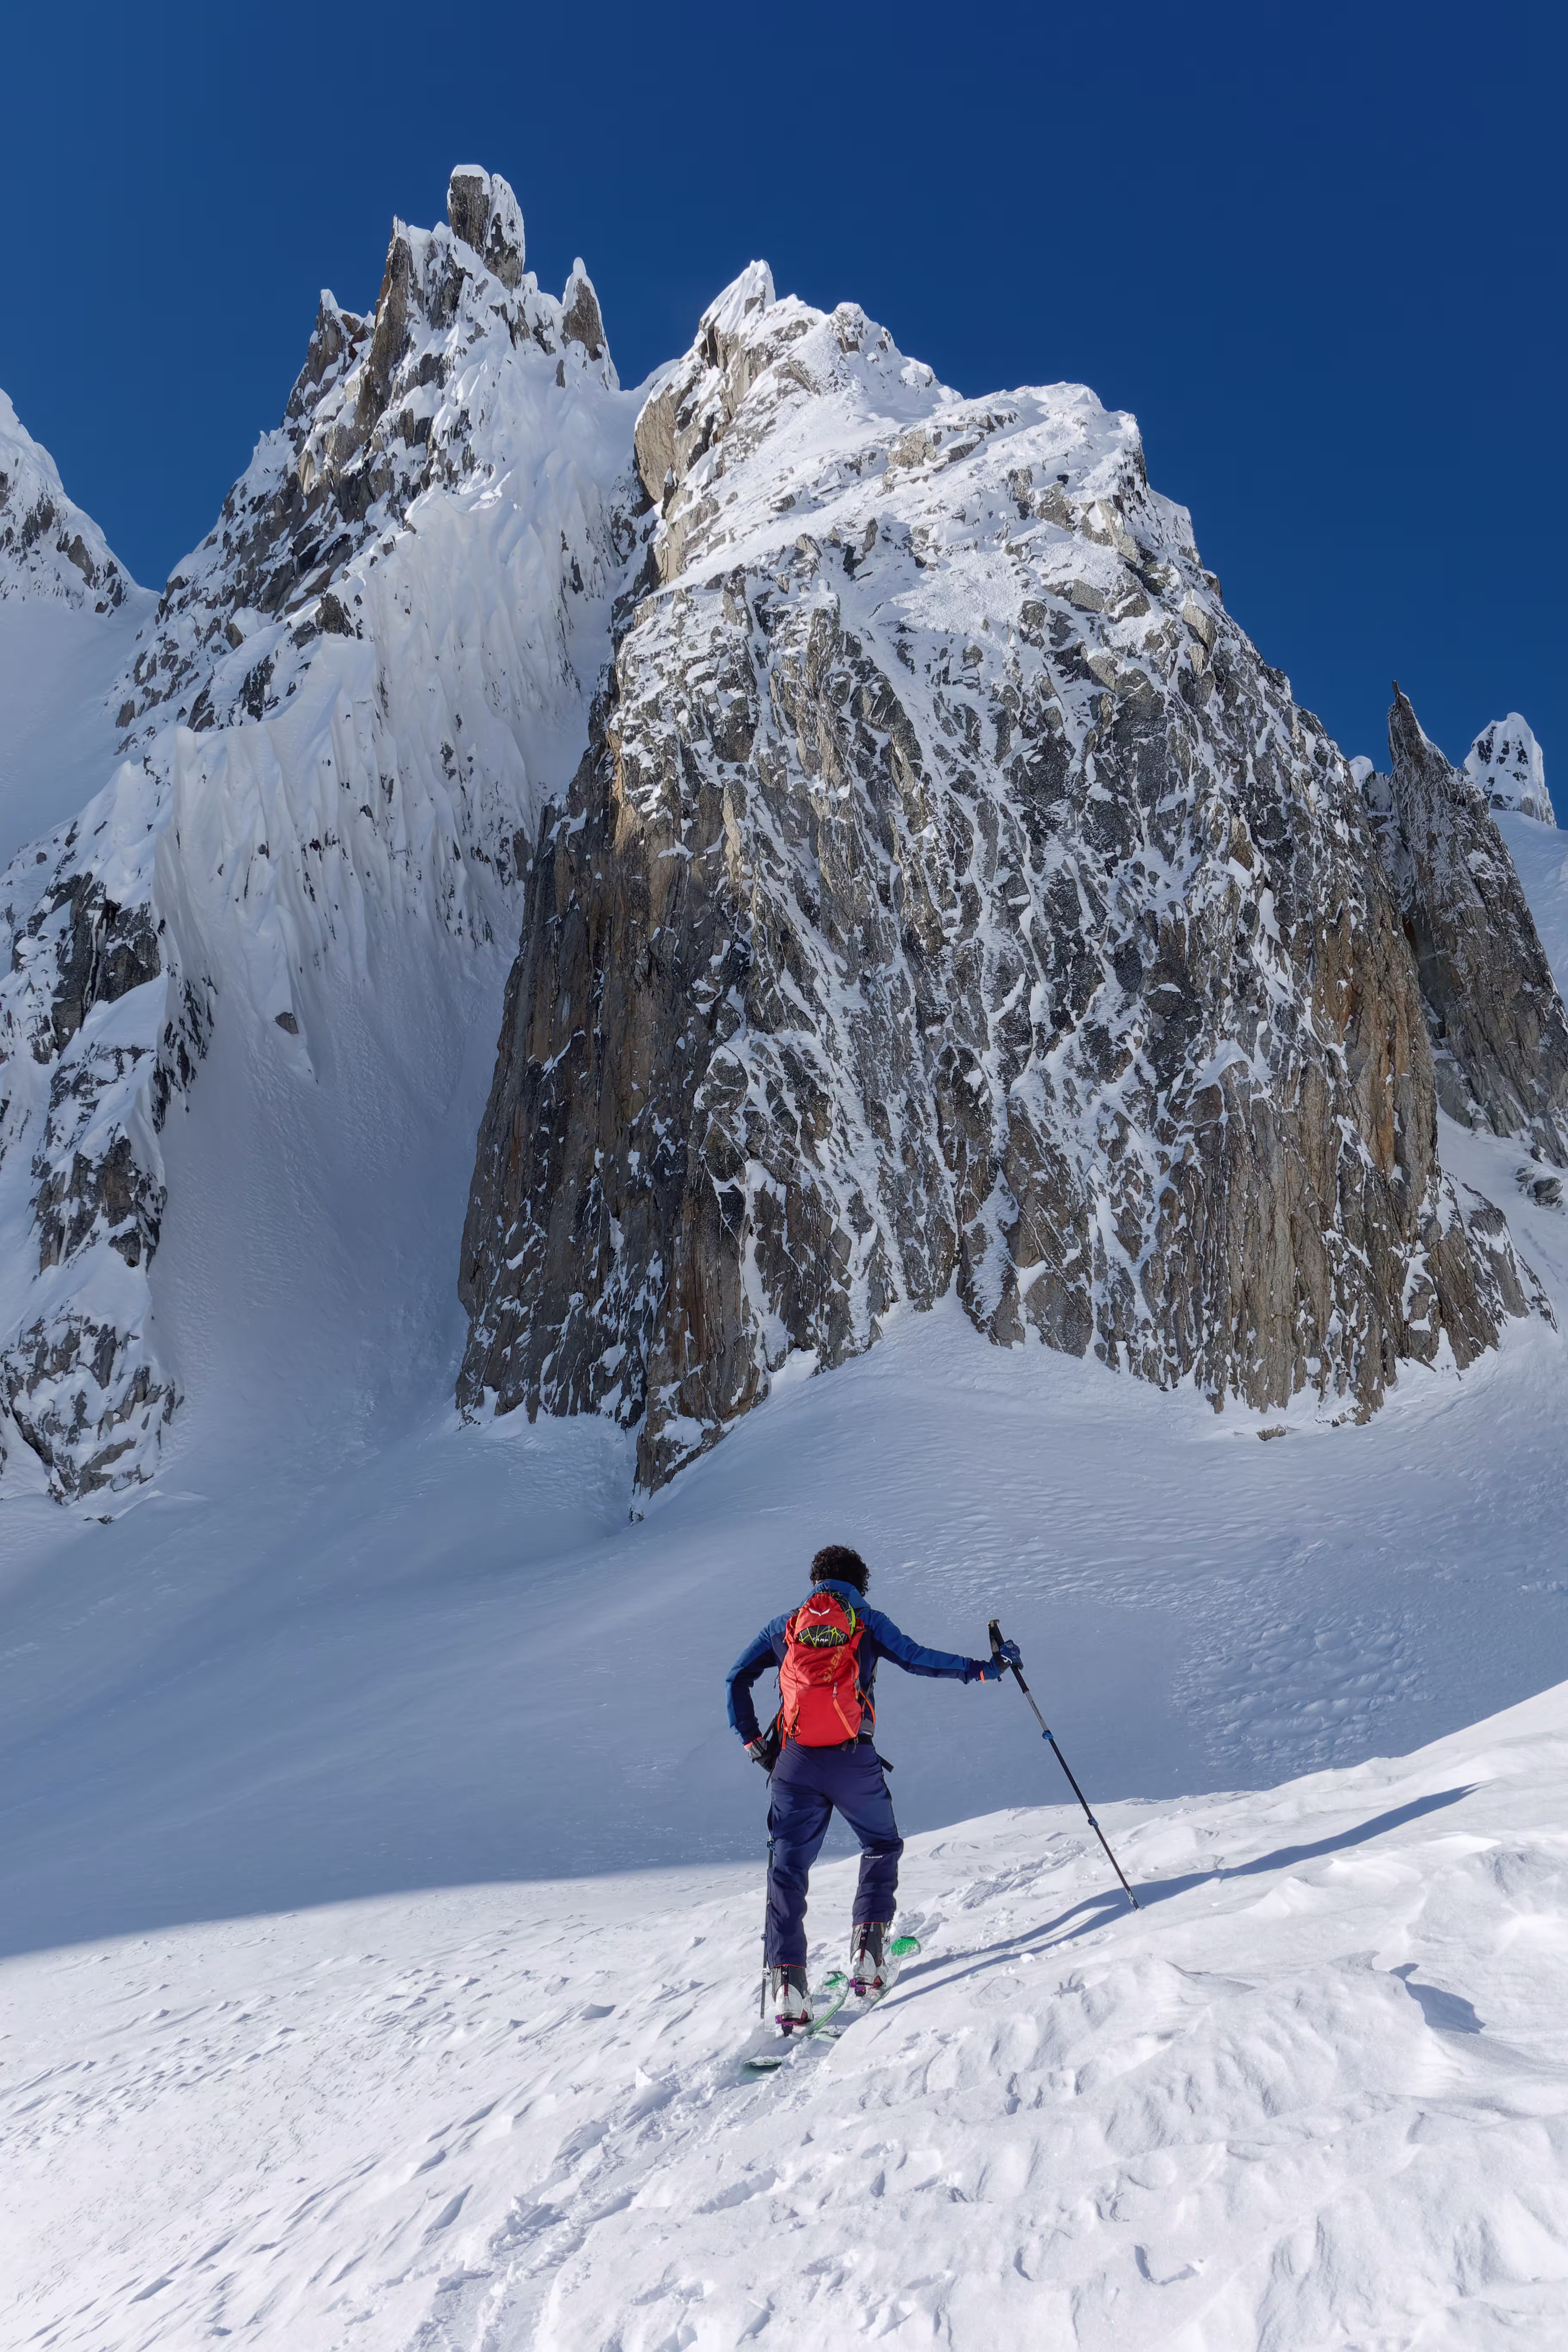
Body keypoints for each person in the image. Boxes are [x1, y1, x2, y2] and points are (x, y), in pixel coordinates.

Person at [726, 1542, 1020, 2029]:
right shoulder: (866, 1620)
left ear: (816, 1579)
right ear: (858, 1583)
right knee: (881, 1844)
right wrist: (985, 1669)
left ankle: (789, 1989)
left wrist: (755, 1743)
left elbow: (737, 1678)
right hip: (853, 1757)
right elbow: (919, 1659)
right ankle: (868, 1955)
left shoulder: (786, 1625)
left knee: (788, 1871)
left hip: (794, 1763)